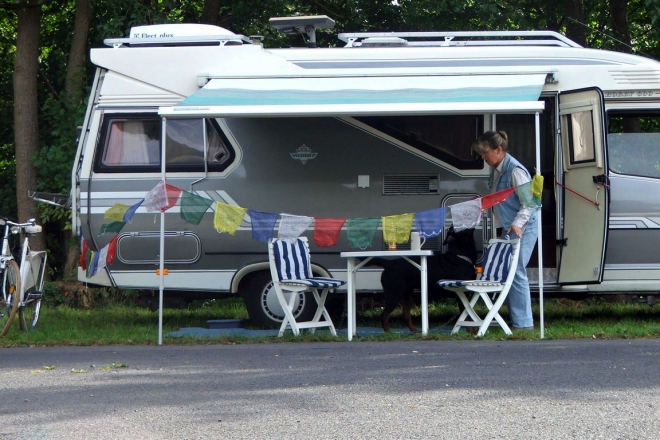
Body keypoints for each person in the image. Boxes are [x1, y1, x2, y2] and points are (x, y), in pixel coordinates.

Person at [472, 130, 538, 331]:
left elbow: (530, 203)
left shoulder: (515, 171)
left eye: (485, 152)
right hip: (509, 226)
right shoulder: (497, 169)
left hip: (523, 226)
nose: (483, 157)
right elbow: (498, 198)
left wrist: (517, 224)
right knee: (506, 270)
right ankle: (515, 318)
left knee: (516, 270)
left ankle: (524, 324)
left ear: (498, 149)